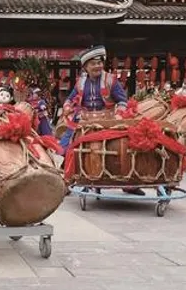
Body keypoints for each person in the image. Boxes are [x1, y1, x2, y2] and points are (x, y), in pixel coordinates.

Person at [60, 45, 141, 195]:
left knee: (123, 147)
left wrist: (118, 116)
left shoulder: (111, 80)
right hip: (84, 120)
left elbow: (123, 101)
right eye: (93, 63)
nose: (97, 66)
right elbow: (70, 99)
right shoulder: (80, 82)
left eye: (99, 63)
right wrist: (66, 107)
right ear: (85, 67)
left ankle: (129, 183)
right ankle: (67, 181)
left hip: (107, 120)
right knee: (68, 148)